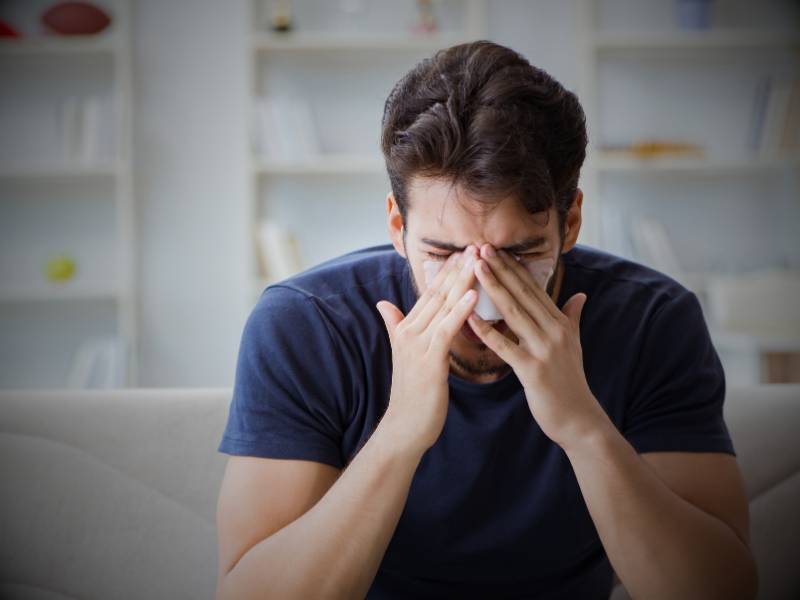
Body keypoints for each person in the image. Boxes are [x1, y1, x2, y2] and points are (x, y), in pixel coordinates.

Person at [214, 40, 757, 599]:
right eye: (444, 254)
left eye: (519, 256)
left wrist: (582, 425)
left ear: (570, 223)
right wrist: (400, 433)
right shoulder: (307, 326)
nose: (479, 296)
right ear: (397, 225)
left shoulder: (653, 322)